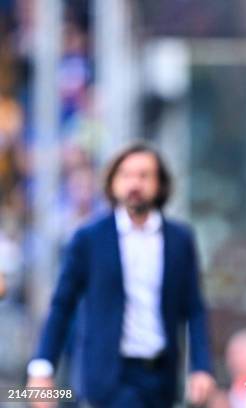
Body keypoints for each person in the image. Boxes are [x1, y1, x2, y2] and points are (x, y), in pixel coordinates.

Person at [27, 144, 215, 407]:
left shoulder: (179, 240)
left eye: (144, 175)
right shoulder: (90, 238)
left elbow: (194, 308)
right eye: (126, 175)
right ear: (112, 182)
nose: (134, 183)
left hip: (161, 378)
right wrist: (42, 368)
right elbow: (62, 305)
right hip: (108, 377)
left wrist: (202, 368)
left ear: (160, 184)